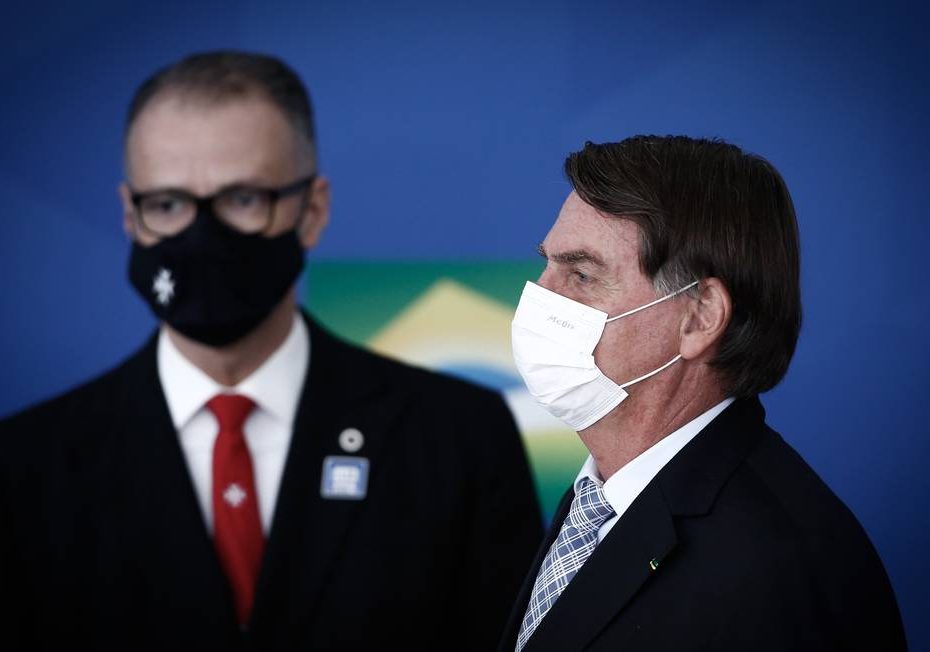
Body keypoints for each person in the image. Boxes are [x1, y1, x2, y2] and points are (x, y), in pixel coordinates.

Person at [0, 50, 542, 651]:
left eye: (242, 199)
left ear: (313, 210)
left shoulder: (460, 439)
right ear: (131, 216)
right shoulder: (24, 469)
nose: (202, 237)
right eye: (169, 205)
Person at [499, 136, 906, 651]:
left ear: (700, 316)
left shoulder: (779, 568)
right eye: (547, 266)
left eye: (581, 274)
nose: (537, 297)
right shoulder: (600, 501)